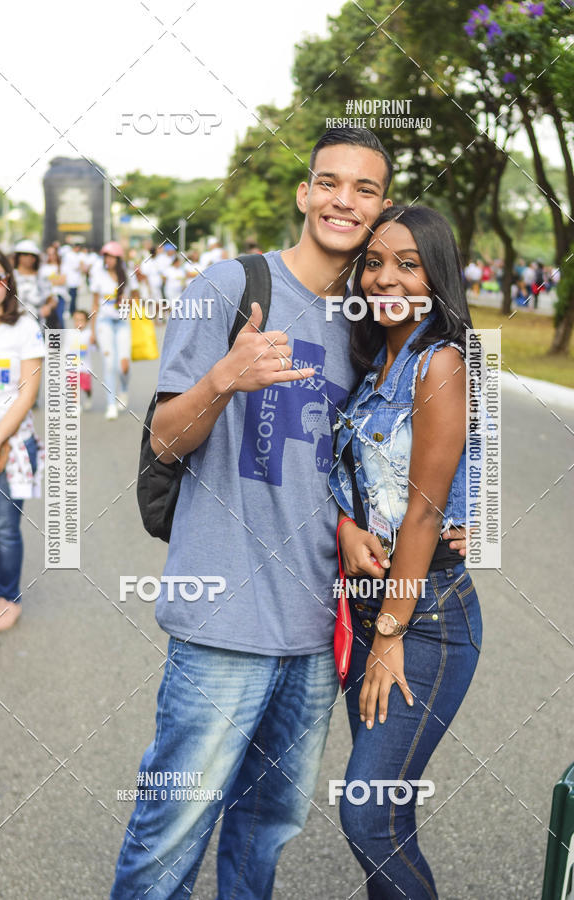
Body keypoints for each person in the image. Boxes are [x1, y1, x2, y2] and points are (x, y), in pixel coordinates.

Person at [110, 128, 466, 899]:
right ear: (305, 194)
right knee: (171, 830)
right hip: (224, 621)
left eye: (365, 189)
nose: (344, 200)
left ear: (380, 209)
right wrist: (223, 379)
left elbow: (354, 463)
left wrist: (353, 525)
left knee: (265, 830)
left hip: (316, 629)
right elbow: (165, 440)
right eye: (329, 182)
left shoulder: (367, 325)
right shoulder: (228, 287)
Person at [329, 205, 482, 899]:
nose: (385, 278)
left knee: (367, 815)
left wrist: (390, 634)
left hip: (424, 620)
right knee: (387, 810)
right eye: (374, 263)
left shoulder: (439, 362)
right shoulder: (374, 364)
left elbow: (423, 511)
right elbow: (359, 483)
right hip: (364, 609)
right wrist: (345, 528)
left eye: (408, 264)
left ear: (436, 276)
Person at [0, 247, 44, 632]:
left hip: (13, 445)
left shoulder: (24, 328)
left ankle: (6, 598)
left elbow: (27, 394)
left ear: (9, 283)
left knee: (5, 530)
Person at [90, 241, 131, 420]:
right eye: (106, 256)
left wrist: (127, 302)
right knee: (109, 363)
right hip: (104, 322)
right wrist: (92, 331)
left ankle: (124, 389)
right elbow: (94, 304)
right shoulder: (98, 275)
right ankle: (111, 404)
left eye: (112, 257)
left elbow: (136, 297)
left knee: (123, 366)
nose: (108, 260)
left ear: (118, 258)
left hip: (122, 322)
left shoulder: (127, 275)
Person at [13, 239, 56, 325]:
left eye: (32, 255)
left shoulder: (41, 277)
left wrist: (48, 307)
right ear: (18, 256)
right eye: (25, 254)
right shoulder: (10, 276)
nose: (29, 258)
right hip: (14, 323)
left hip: (37, 324)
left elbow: (52, 299)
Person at [67, 310, 93, 411]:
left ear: (86, 322)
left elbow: (95, 345)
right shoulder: (70, 334)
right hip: (72, 367)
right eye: (76, 320)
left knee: (85, 387)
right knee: (74, 385)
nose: (79, 323)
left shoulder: (89, 334)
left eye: (81, 320)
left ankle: (88, 395)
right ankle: (76, 405)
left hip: (85, 368)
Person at [39, 245, 68, 327]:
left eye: (53, 254)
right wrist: (54, 279)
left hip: (60, 296)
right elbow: (41, 282)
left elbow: (62, 281)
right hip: (48, 297)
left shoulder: (62, 267)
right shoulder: (44, 268)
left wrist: (50, 279)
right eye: (49, 254)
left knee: (59, 317)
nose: (51, 256)